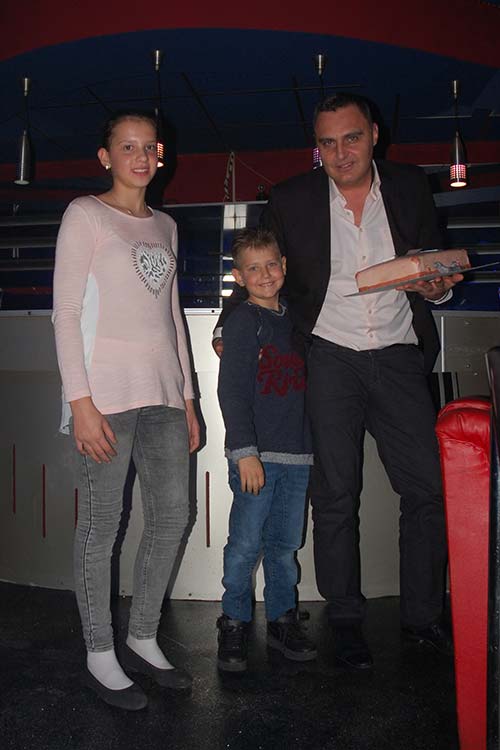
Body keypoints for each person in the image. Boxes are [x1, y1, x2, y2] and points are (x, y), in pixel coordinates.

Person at [214, 93, 462, 670]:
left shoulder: (409, 187)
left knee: (427, 490)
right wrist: (229, 323)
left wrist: (437, 288)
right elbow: (256, 264)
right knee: (334, 496)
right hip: (328, 358)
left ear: (374, 134)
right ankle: (345, 620)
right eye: (328, 142)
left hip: (399, 355)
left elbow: (433, 265)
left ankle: (422, 618)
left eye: (351, 138)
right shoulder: (292, 198)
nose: (341, 152)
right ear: (317, 148)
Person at [52, 110, 200, 709]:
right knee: (101, 525)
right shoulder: (85, 214)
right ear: (106, 156)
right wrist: (80, 403)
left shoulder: (166, 225)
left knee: (174, 516)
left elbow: (172, 317)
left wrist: (188, 399)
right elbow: (65, 314)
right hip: (105, 397)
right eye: (127, 146)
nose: (140, 157)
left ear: (159, 154)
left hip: (163, 395)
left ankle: (141, 635)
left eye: (149, 147)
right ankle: (99, 650)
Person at [216, 227, 316, 672]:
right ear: (239, 277)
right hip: (256, 456)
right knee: (244, 545)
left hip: (298, 455)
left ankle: (282, 619)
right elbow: (232, 391)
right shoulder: (242, 321)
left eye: (271, 264)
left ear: (284, 266)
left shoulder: (296, 320)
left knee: (284, 545)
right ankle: (234, 621)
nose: (265, 274)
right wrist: (245, 452)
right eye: (253, 268)